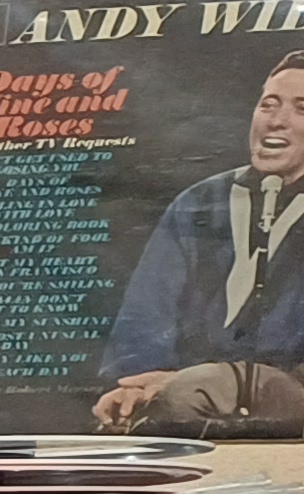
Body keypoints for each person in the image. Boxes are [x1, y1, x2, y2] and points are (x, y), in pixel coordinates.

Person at [95, 52, 304, 434]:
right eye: (268, 105)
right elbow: (145, 316)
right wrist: (138, 384)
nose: (276, 121)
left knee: (192, 392)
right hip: (189, 396)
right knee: (127, 419)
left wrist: (201, 381)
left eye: (301, 109)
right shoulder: (199, 203)